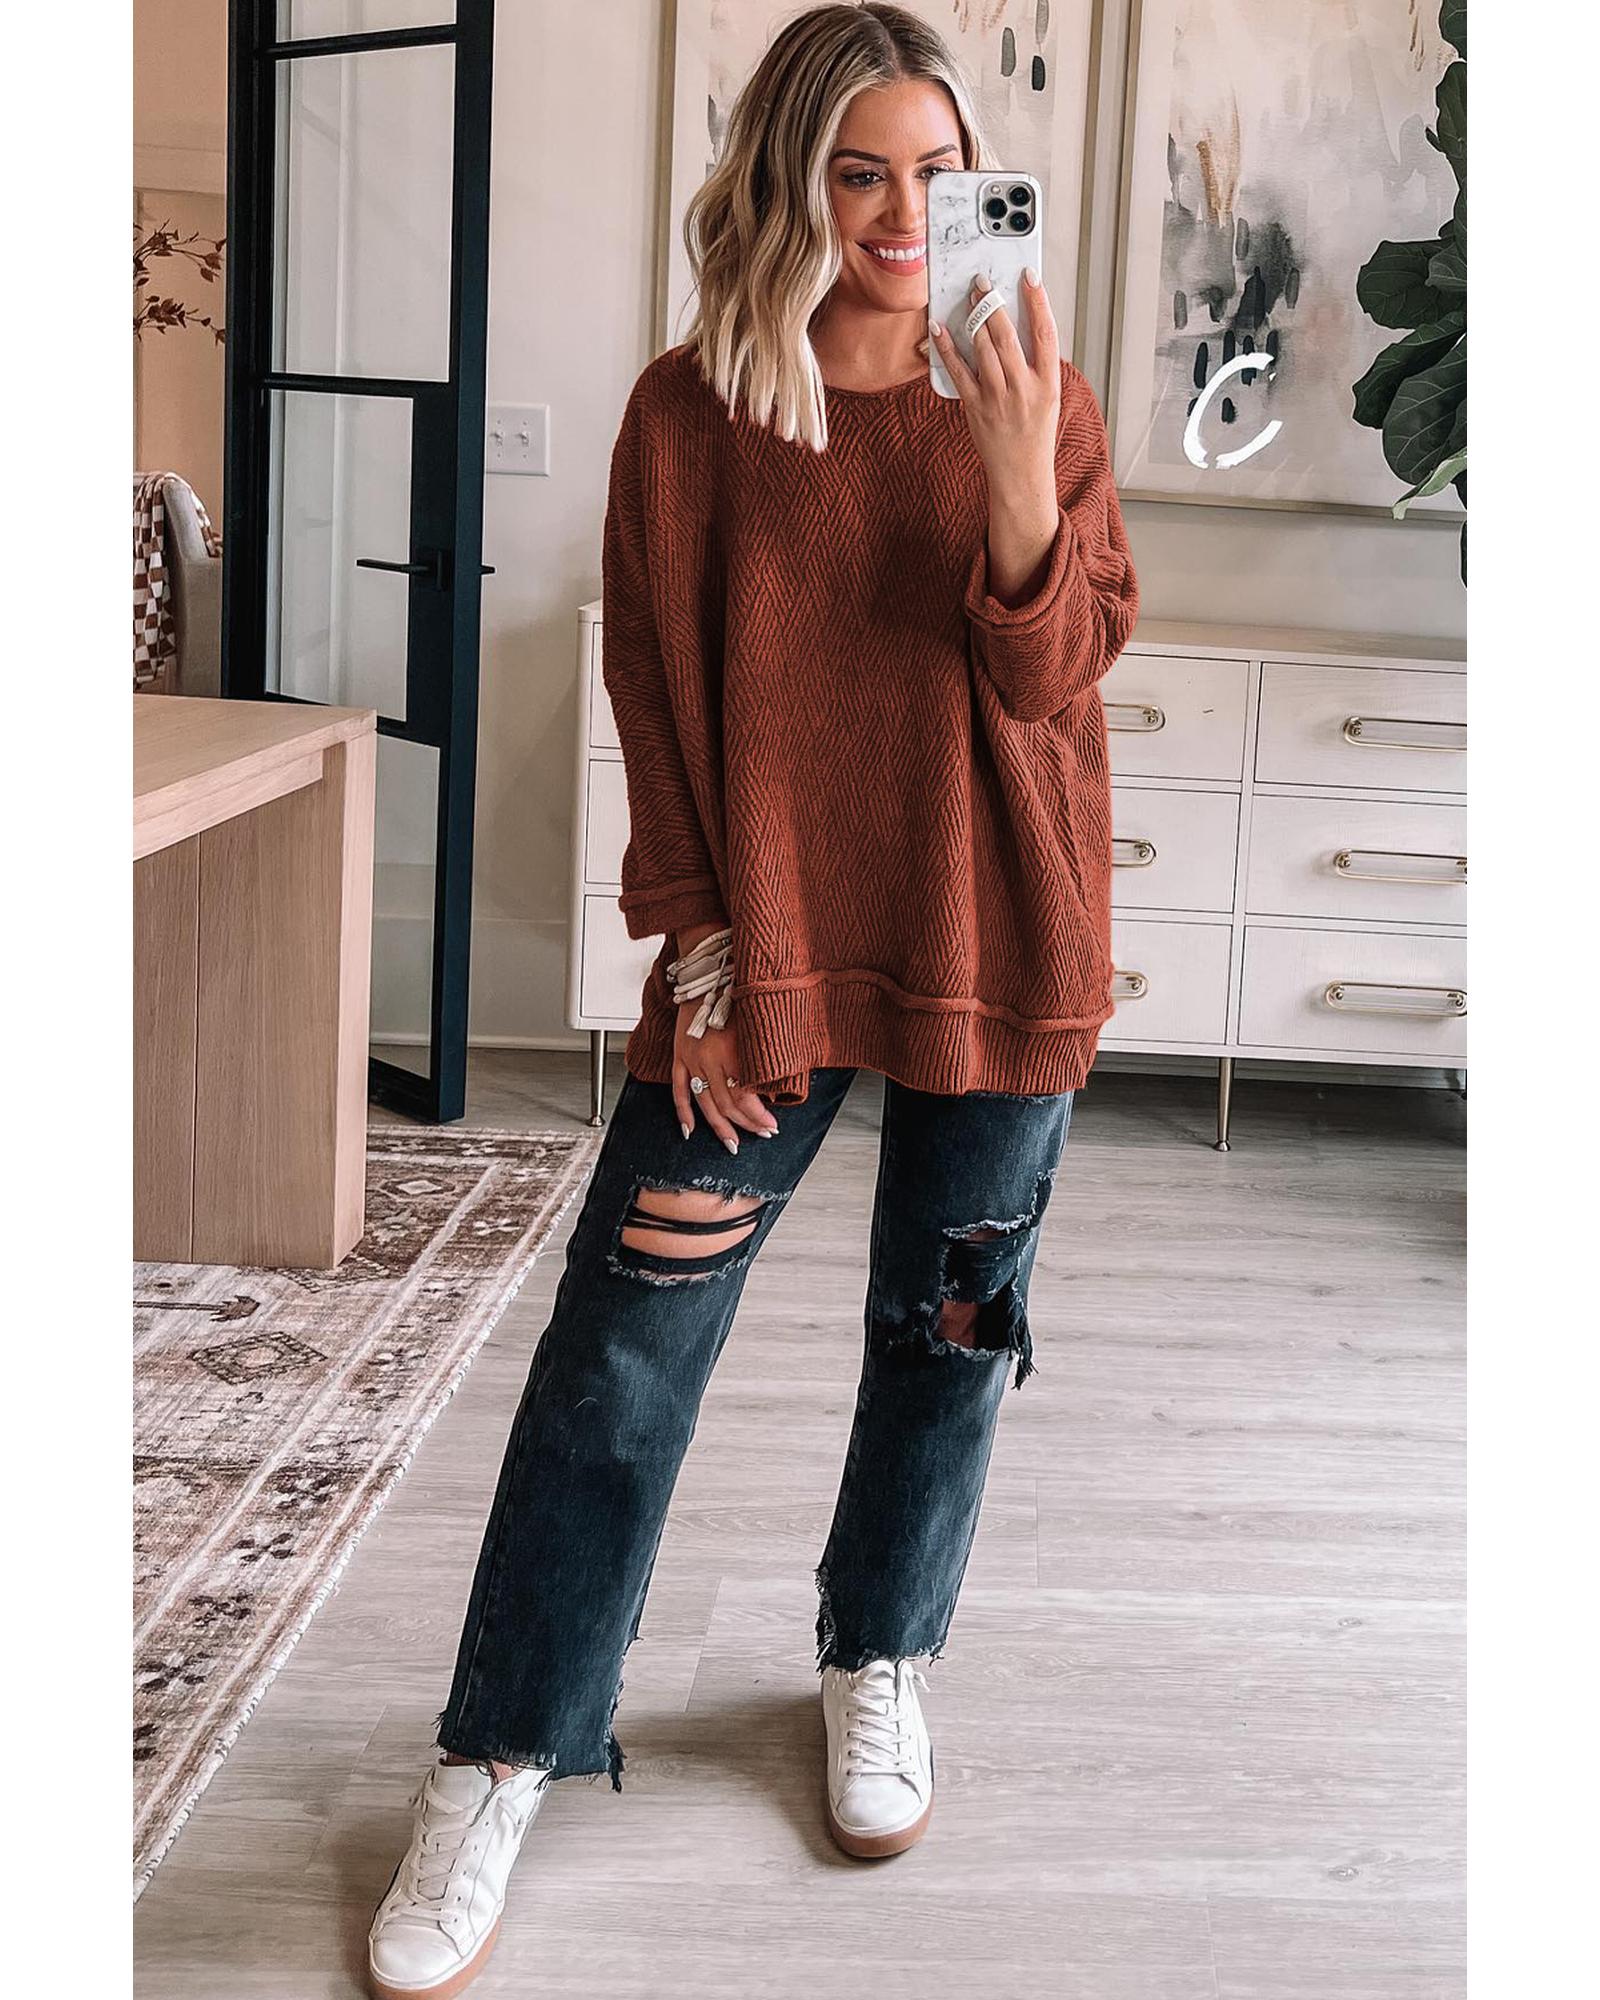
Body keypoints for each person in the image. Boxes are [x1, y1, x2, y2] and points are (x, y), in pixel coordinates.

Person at [367, 4, 1138, 1994]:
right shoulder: (690, 411)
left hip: (995, 936)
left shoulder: (1034, 390)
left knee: (947, 1334)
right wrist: (701, 958)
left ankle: (877, 1656)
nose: (901, 213)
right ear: (791, 179)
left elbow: (1055, 678)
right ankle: (502, 1749)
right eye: (857, 171)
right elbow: (654, 691)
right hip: (765, 962)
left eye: (934, 172)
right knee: (622, 1355)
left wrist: (1009, 471)